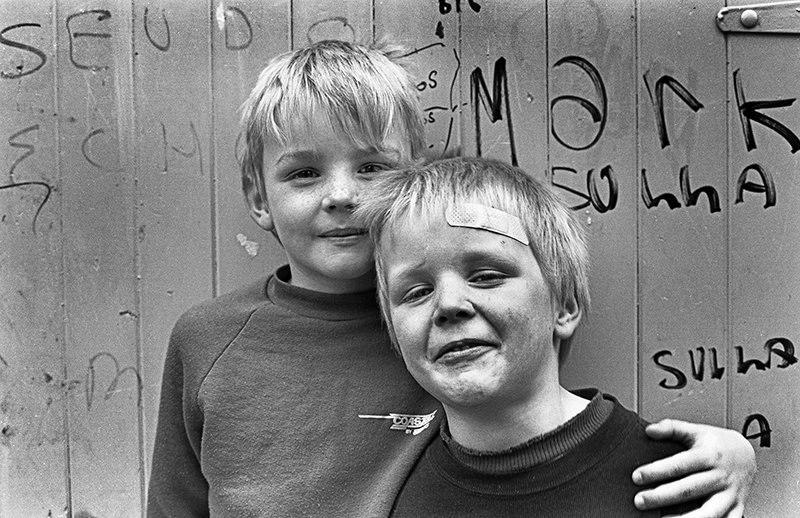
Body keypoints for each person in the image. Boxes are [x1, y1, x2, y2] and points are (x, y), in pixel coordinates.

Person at [147, 40, 755, 517]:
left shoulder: (452, 325)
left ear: (414, 179)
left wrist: (732, 454)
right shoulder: (209, 339)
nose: (342, 196)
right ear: (259, 197)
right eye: (304, 173)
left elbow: (549, 416)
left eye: (372, 168)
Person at [356, 156, 754, 516]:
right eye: (417, 292)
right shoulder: (389, 489)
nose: (448, 304)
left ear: (563, 307)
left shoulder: (678, 479)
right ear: (393, 330)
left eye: (486, 276)